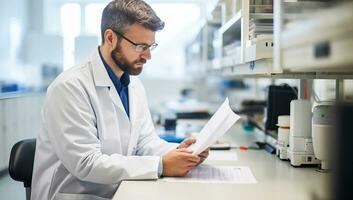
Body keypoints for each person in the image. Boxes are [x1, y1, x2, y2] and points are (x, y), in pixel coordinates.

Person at [31, 0, 209, 200]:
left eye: (151, 46)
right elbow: (86, 163)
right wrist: (161, 165)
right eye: (141, 46)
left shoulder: (134, 85)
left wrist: (179, 152)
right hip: (74, 195)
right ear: (110, 38)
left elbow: (145, 142)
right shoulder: (69, 87)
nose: (148, 56)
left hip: (119, 190)